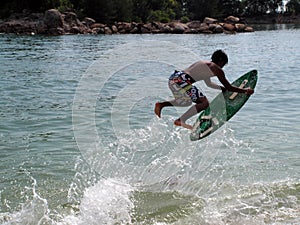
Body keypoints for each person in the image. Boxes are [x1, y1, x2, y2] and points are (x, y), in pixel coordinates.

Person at [154, 50, 254, 130]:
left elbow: (209, 84)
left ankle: (161, 105)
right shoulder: (216, 68)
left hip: (174, 79)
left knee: (185, 102)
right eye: (223, 64)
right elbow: (229, 87)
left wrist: (222, 89)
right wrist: (245, 91)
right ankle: (181, 120)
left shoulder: (206, 65)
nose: (223, 67)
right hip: (183, 81)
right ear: (220, 60)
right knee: (204, 102)